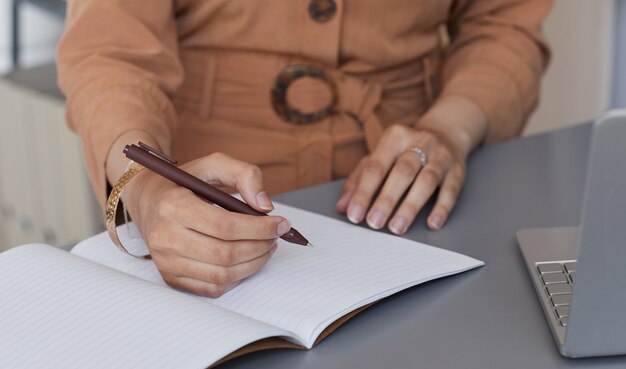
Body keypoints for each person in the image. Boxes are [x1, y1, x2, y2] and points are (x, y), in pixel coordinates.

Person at [57, 0, 552, 296]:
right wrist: (146, 190)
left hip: (416, 197)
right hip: (196, 191)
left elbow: (503, 26)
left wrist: (450, 129)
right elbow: (109, 54)